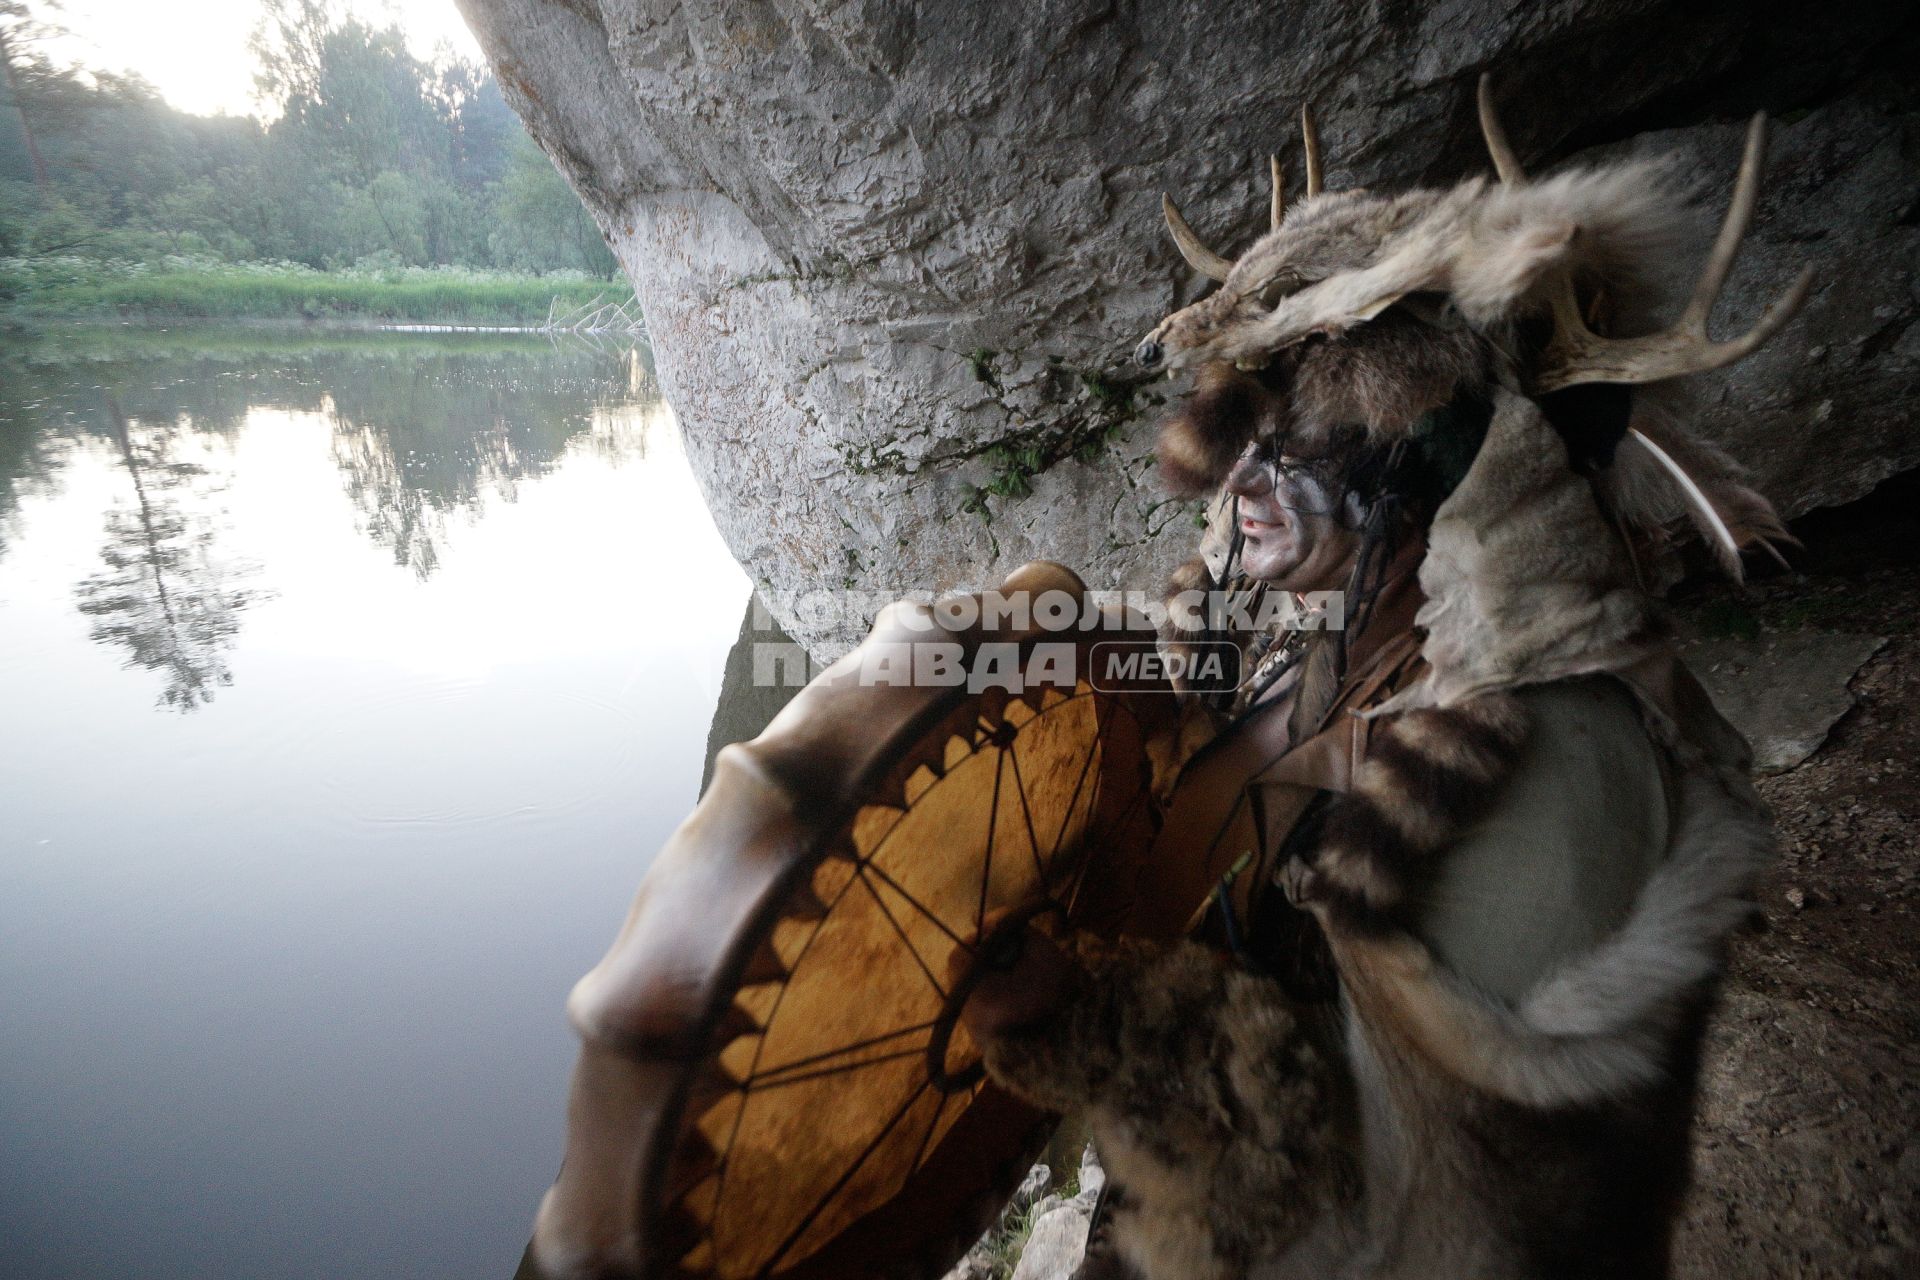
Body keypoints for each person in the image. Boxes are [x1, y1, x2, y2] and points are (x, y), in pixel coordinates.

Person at [954, 85, 1795, 1279]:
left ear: (1425, 464)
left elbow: (1349, 1169)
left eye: (1298, 438)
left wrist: (1077, 1017)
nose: (1237, 476)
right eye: (1235, 419)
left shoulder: (1548, 773)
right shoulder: (1320, 623)